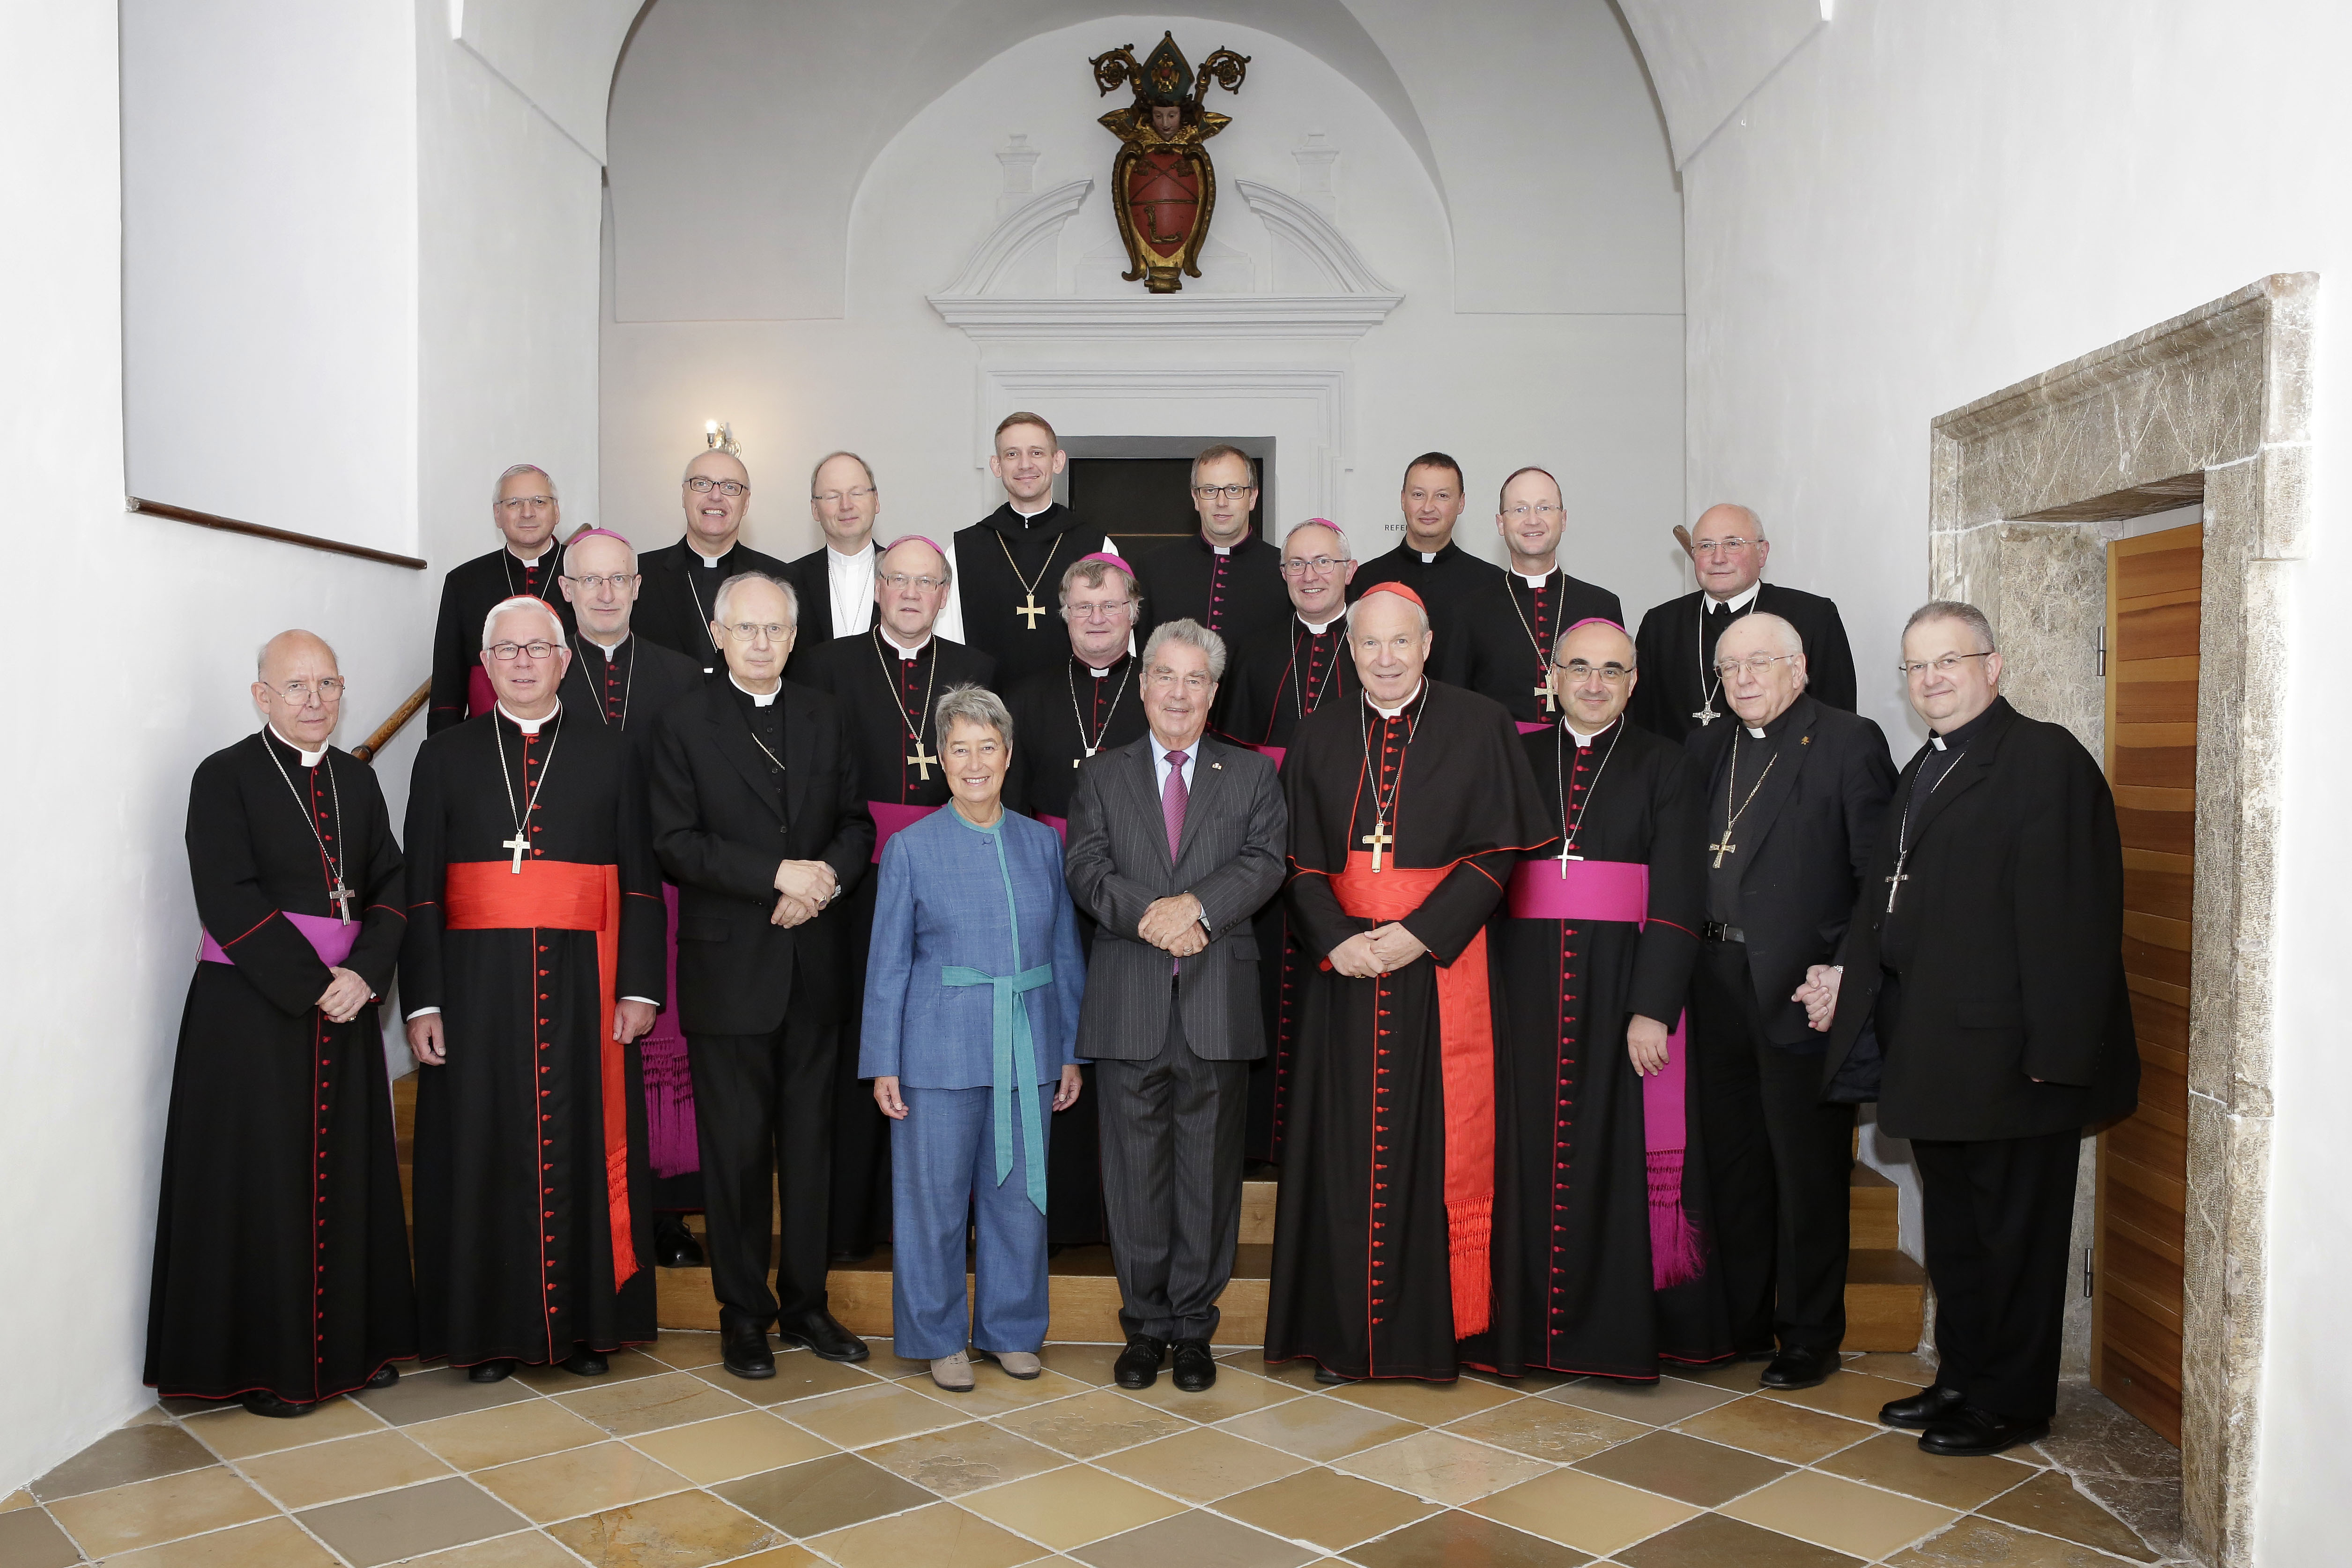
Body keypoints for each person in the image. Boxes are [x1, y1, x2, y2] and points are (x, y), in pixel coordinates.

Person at [1800, 602, 2137, 1456]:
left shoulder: (2044, 759)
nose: (1932, 679)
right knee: (1956, 1232)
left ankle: (2011, 1401)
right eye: (1916, 666)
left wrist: (2056, 1057)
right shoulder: (1927, 764)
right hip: (1935, 1051)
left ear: (1993, 664)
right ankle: (1962, 1377)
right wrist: (1848, 978)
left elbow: (2075, 918)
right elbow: (1886, 901)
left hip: (2016, 1059)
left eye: (1948, 660)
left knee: (2013, 1238)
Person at [1266, 583, 1550, 1383]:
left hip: (1442, 969)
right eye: (1369, 643)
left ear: (1427, 645)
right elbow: (1296, 861)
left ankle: (1435, 1336)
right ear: (1349, 649)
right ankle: (1343, 1337)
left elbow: (1499, 851)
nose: (1385, 658)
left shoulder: (1479, 723)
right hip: (1346, 974)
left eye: (1400, 642)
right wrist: (1337, 939)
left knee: (1437, 1149)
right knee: (1344, 1154)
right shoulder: (1319, 731)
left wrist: (1419, 934)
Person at [147, 632, 414, 1417]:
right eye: (295, 686)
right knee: (263, 1185)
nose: (314, 700)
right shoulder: (224, 776)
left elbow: (391, 883)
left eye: (327, 684)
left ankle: (353, 1346)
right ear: (262, 695)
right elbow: (227, 896)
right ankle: (267, 1364)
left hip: (347, 1003)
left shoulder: (357, 781)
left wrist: (365, 973)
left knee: (348, 1177)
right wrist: (316, 984)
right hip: (252, 1014)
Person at [402, 597, 668, 1382]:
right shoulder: (443, 756)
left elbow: (641, 879)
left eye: (537, 648)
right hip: (475, 990)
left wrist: (640, 986)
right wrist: (424, 999)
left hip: (587, 983)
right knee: (483, 1148)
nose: (522, 661)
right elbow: (419, 888)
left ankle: (588, 1327)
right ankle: (489, 1334)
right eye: (506, 650)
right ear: (485, 665)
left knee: (584, 1141)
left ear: (564, 659)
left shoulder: (611, 751)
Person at [1492, 618, 1732, 1378]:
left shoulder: (1666, 762)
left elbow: (1680, 892)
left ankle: (1610, 1333)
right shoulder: (1515, 756)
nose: (1594, 683)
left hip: (1621, 985)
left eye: (1612, 671)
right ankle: (1521, 1331)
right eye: (1579, 667)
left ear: (1633, 684)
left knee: (1614, 1153)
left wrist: (1652, 1005)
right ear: (1552, 678)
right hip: (1522, 987)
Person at [650, 572, 876, 1377]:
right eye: (745, 628)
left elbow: (855, 824)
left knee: (812, 1149)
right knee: (737, 1154)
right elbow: (675, 840)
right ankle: (743, 1312)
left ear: (794, 634)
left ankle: (806, 1303)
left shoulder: (825, 712)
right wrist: (777, 875)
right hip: (730, 970)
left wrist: (822, 884)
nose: (761, 642)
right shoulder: (683, 721)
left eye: (775, 628)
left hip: (814, 965)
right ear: (718, 635)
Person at [1065, 620, 1286, 1393]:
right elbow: (1085, 868)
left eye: (1195, 679)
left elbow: (1264, 861)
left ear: (1213, 691)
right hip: (1128, 1001)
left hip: (1216, 1002)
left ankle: (1193, 1329)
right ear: (1143, 684)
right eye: (1166, 675)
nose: (1179, 693)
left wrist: (1196, 907)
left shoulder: (1251, 774)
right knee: (1134, 1178)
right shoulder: (1102, 774)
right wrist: (1156, 916)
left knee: (1207, 1177)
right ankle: (1145, 1327)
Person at [1684, 611, 1894, 1390]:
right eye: (1728, 667)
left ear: (1799, 668)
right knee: (1732, 1163)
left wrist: (1842, 971)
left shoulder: (1847, 740)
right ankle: (1742, 1319)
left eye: (1759, 663)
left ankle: (1809, 1333)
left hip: (1802, 990)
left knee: (1805, 1171)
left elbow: (1876, 878)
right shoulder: (1708, 746)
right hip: (1713, 982)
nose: (1742, 679)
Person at [862, 685, 1085, 1393]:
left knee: (1019, 1200)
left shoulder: (1042, 842)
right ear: (940, 758)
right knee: (931, 1202)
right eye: (959, 748)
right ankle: (937, 1337)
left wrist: (1070, 1048)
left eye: (987, 746)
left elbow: (1065, 950)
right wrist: (882, 1060)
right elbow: (888, 962)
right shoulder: (910, 848)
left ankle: (1011, 1329)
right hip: (936, 1051)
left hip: (1028, 1042)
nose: (975, 762)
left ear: (1008, 754)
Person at [793, 536, 995, 1263]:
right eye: (898, 579)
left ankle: (948, 1216)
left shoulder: (976, 669)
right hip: (858, 882)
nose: (911, 593)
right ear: (877, 587)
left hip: (951, 880)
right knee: (861, 1039)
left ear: (944, 594)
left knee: (943, 1040)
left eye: (926, 582)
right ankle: (851, 1221)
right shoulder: (826, 664)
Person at [556, 528, 710, 1269]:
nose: (605, 592)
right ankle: (582, 1196)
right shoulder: (541, 668)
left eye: (618, 578)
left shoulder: (682, 674)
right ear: (566, 590)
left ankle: (665, 1213)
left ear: (638, 587)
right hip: (572, 891)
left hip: (660, 885)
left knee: (659, 1047)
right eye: (590, 580)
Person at [1000, 551, 1152, 1250]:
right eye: (1083, 607)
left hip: (1134, 895)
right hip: (1045, 895)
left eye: (1110, 605)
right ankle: (1057, 1215)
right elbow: (1009, 806)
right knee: (1050, 1045)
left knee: (1126, 1052)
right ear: (1062, 615)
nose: (1097, 618)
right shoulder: (1026, 695)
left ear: (1133, 612)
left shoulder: (1158, 689)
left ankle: (1122, 1217)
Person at [1220, 517, 1364, 1167]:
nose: (1310, 575)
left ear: (1348, 570)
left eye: (1323, 562)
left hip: (1346, 847)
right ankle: (1256, 1147)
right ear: (1282, 575)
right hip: (1262, 847)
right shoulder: (1253, 650)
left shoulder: (1371, 650)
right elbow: (1230, 756)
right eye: (1297, 564)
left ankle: (1322, 1145)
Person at [1629, 504, 1858, 740]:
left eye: (1733, 544)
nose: (1718, 558)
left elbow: (1839, 722)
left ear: (1762, 553)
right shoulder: (1660, 624)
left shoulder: (1813, 616)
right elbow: (1641, 722)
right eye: (1706, 546)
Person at [1443, 468, 1623, 723]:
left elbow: (1619, 701)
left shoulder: (1601, 606)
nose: (1533, 520)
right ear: (1501, 524)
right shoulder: (1469, 611)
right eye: (1520, 510)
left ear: (1563, 519)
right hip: (1500, 748)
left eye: (1544, 508)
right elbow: (1455, 710)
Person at [948, 413, 1110, 691]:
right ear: (997, 466)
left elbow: (1117, 641)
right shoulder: (964, 550)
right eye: (1012, 454)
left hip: (1075, 704)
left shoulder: (1096, 547)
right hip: (987, 708)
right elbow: (949, 647)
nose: (1025, 465)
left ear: (1057, 461)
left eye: (1036, 453)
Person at [427, 465, 574, 733]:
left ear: (556, 511)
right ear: (497, 514)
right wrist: (443, 746)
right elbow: (448, 682)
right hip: (487, 739)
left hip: (572, 734)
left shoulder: (586, 574)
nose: (527, 512)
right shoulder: (465, 582)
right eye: (514, 503)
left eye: (539, 502)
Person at [635, 448, 795, 675]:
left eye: (730, 487)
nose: (716, 496)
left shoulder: (780, 579)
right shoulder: (640, 575)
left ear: (746, 503)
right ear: (684, 495)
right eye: (702, 484)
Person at [1132, 445, 1288, 653]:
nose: (1221, 502)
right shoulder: (1154, 568)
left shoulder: (1285, 570)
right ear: (1196, 499)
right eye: (1210, 490)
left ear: (1252, 498)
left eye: (1234, 490)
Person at [1346, 453, 1501, 659]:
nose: (1428, 507)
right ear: (1403, 500)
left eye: (1442, 496)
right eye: (1418, 495)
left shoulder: (1493, 583)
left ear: (1461, 503)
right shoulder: (1364, 581)